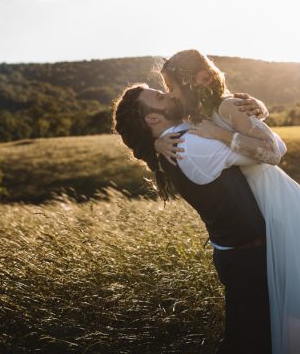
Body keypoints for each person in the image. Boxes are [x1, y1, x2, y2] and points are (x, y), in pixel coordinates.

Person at [155, 49, 300, 353]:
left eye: (172, 88)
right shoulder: (197, 113)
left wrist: (220, 133)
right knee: (286, 294)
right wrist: (156, 141)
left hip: (280, 202)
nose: (170, 95)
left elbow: (274, 152)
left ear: (198, 81)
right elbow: (163, 124)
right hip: (256, 205)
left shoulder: (227, 105)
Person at [112, 83, 279, 353]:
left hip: (234, 253)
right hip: (248, 257)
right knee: (259, 340)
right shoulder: (189, 144)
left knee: (240, 340)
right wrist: (228, 129)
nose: (169, 94)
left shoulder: (176, 140)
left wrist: (259, 107)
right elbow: (266, 153)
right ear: (152, 118)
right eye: (160, 96)